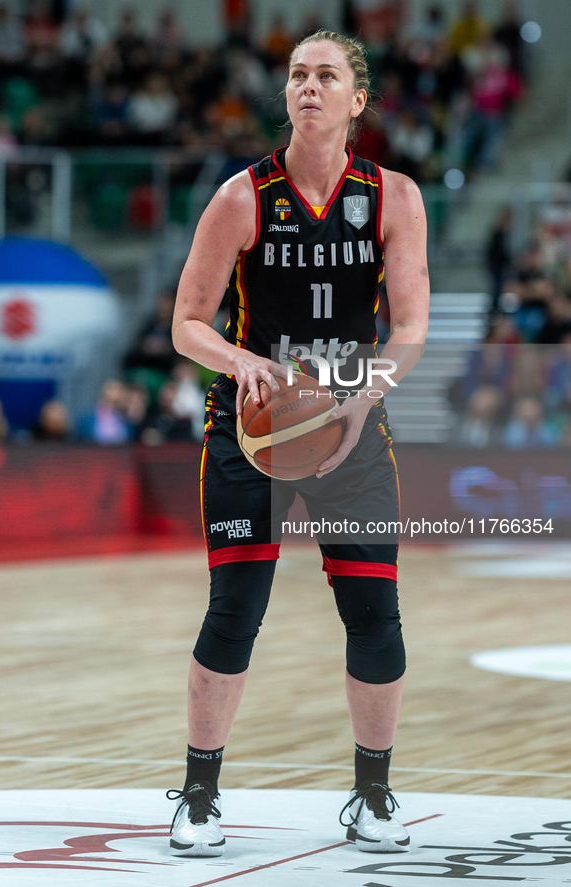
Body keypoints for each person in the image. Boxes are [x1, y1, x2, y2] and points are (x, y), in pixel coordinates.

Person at [168, 30, 429, 858]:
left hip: (351, 425)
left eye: (326, 76)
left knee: (374, 616)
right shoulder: (241, 197)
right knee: (235, 609)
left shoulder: (393, 197)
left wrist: (363, 398)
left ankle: (374, 793)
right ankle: (199, 793)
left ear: (358, 100)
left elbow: (413, 327)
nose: (307, 88)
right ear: (285, 96)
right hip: (252, 431)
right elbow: (185, 323)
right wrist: (240, 358)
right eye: (295, 76)